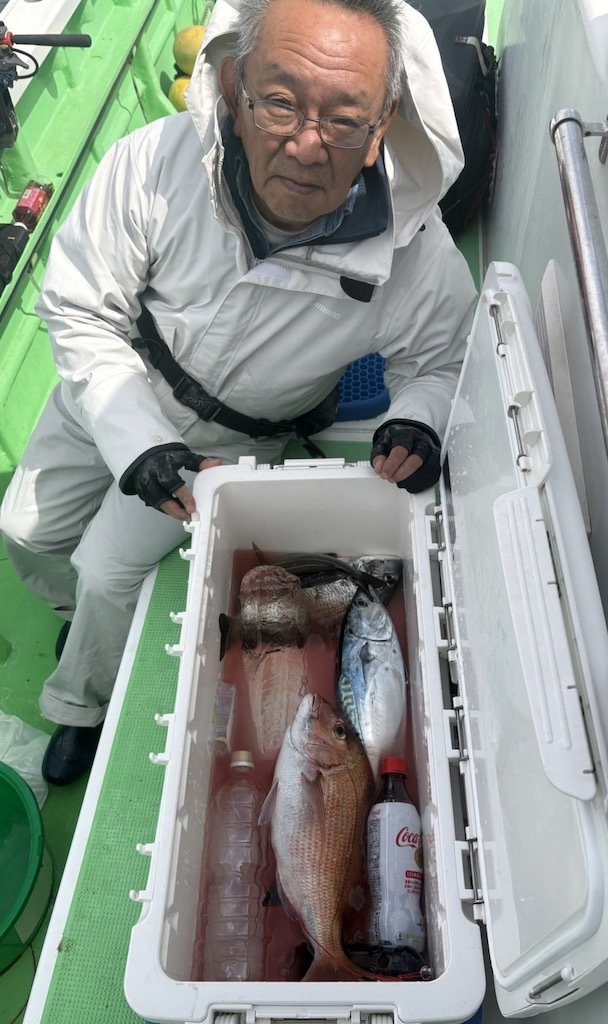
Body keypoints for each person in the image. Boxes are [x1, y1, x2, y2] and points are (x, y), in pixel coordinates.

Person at [0, 0, 477, 785]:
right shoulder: (156, 162)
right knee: (21, 531)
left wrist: (418, 421)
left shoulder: (416, 255)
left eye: (344, 120)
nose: (306, 145)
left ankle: (80, 702)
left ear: (381, 128)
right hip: (111, 381)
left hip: (224, 446)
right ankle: (75, 622)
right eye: (280, 102)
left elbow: (445, 361)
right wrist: (138, 439)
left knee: (107, 573)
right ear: (231, 86)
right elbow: (81, 306)